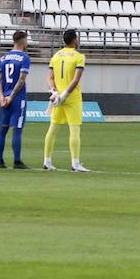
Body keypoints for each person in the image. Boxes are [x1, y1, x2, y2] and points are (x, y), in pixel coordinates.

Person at [44, 28, 89, 172]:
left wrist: (54, 92)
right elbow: (76, 79)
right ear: (75, 39)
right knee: (74, 129)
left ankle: (47, 161)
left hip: (58, 98)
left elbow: (50, 78)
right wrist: (64, 95)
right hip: (72, 97)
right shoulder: (79, 56)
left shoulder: (56, 56)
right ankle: (75, 163)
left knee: (53, 129)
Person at [0, 31, 31, 169]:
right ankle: (16, 161)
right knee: (17, 129)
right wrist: (12, 96)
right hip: (17, 98)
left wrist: (1, 96)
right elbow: (21, 80)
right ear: (22, 41)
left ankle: (0, 161)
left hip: (4, 98)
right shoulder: (24, 58)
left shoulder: (4, 57)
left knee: (2, 129)